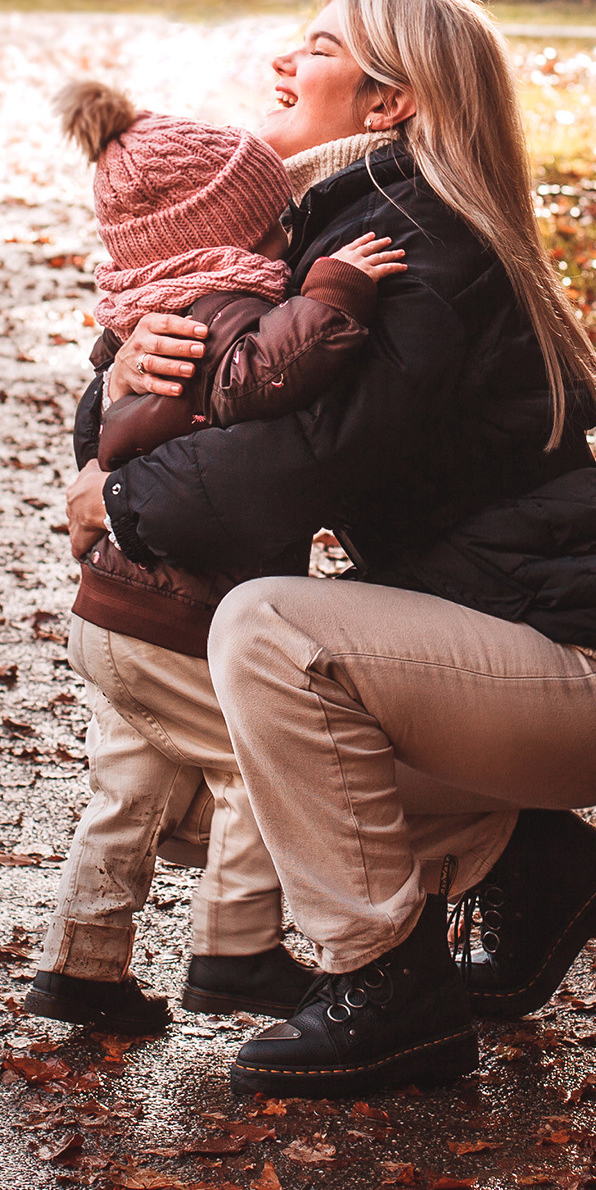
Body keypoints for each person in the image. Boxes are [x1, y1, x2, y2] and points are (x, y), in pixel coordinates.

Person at [67, 0, 596, 1095]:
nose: (280, 63)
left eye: (314, 46)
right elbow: (191, 385)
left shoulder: (414, 254)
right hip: (501, 650)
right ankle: (529, 862)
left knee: (265, 630)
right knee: (208, 768)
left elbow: (276, 473)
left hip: (588, 666)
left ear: (386, 102)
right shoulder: (319, 230)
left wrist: (113, 500)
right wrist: (119, 379)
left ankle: (388, 984)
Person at [27, 80, 405, 1034]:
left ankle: (83, 965)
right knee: (259, 762)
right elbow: (262, 372)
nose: (287, 236)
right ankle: (235, 952)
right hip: (174, 615)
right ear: (232, 230)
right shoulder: (219, 309)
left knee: (129, 787)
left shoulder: (139, 309)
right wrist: (336, 288)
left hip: (115, 611)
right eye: (273, 221)